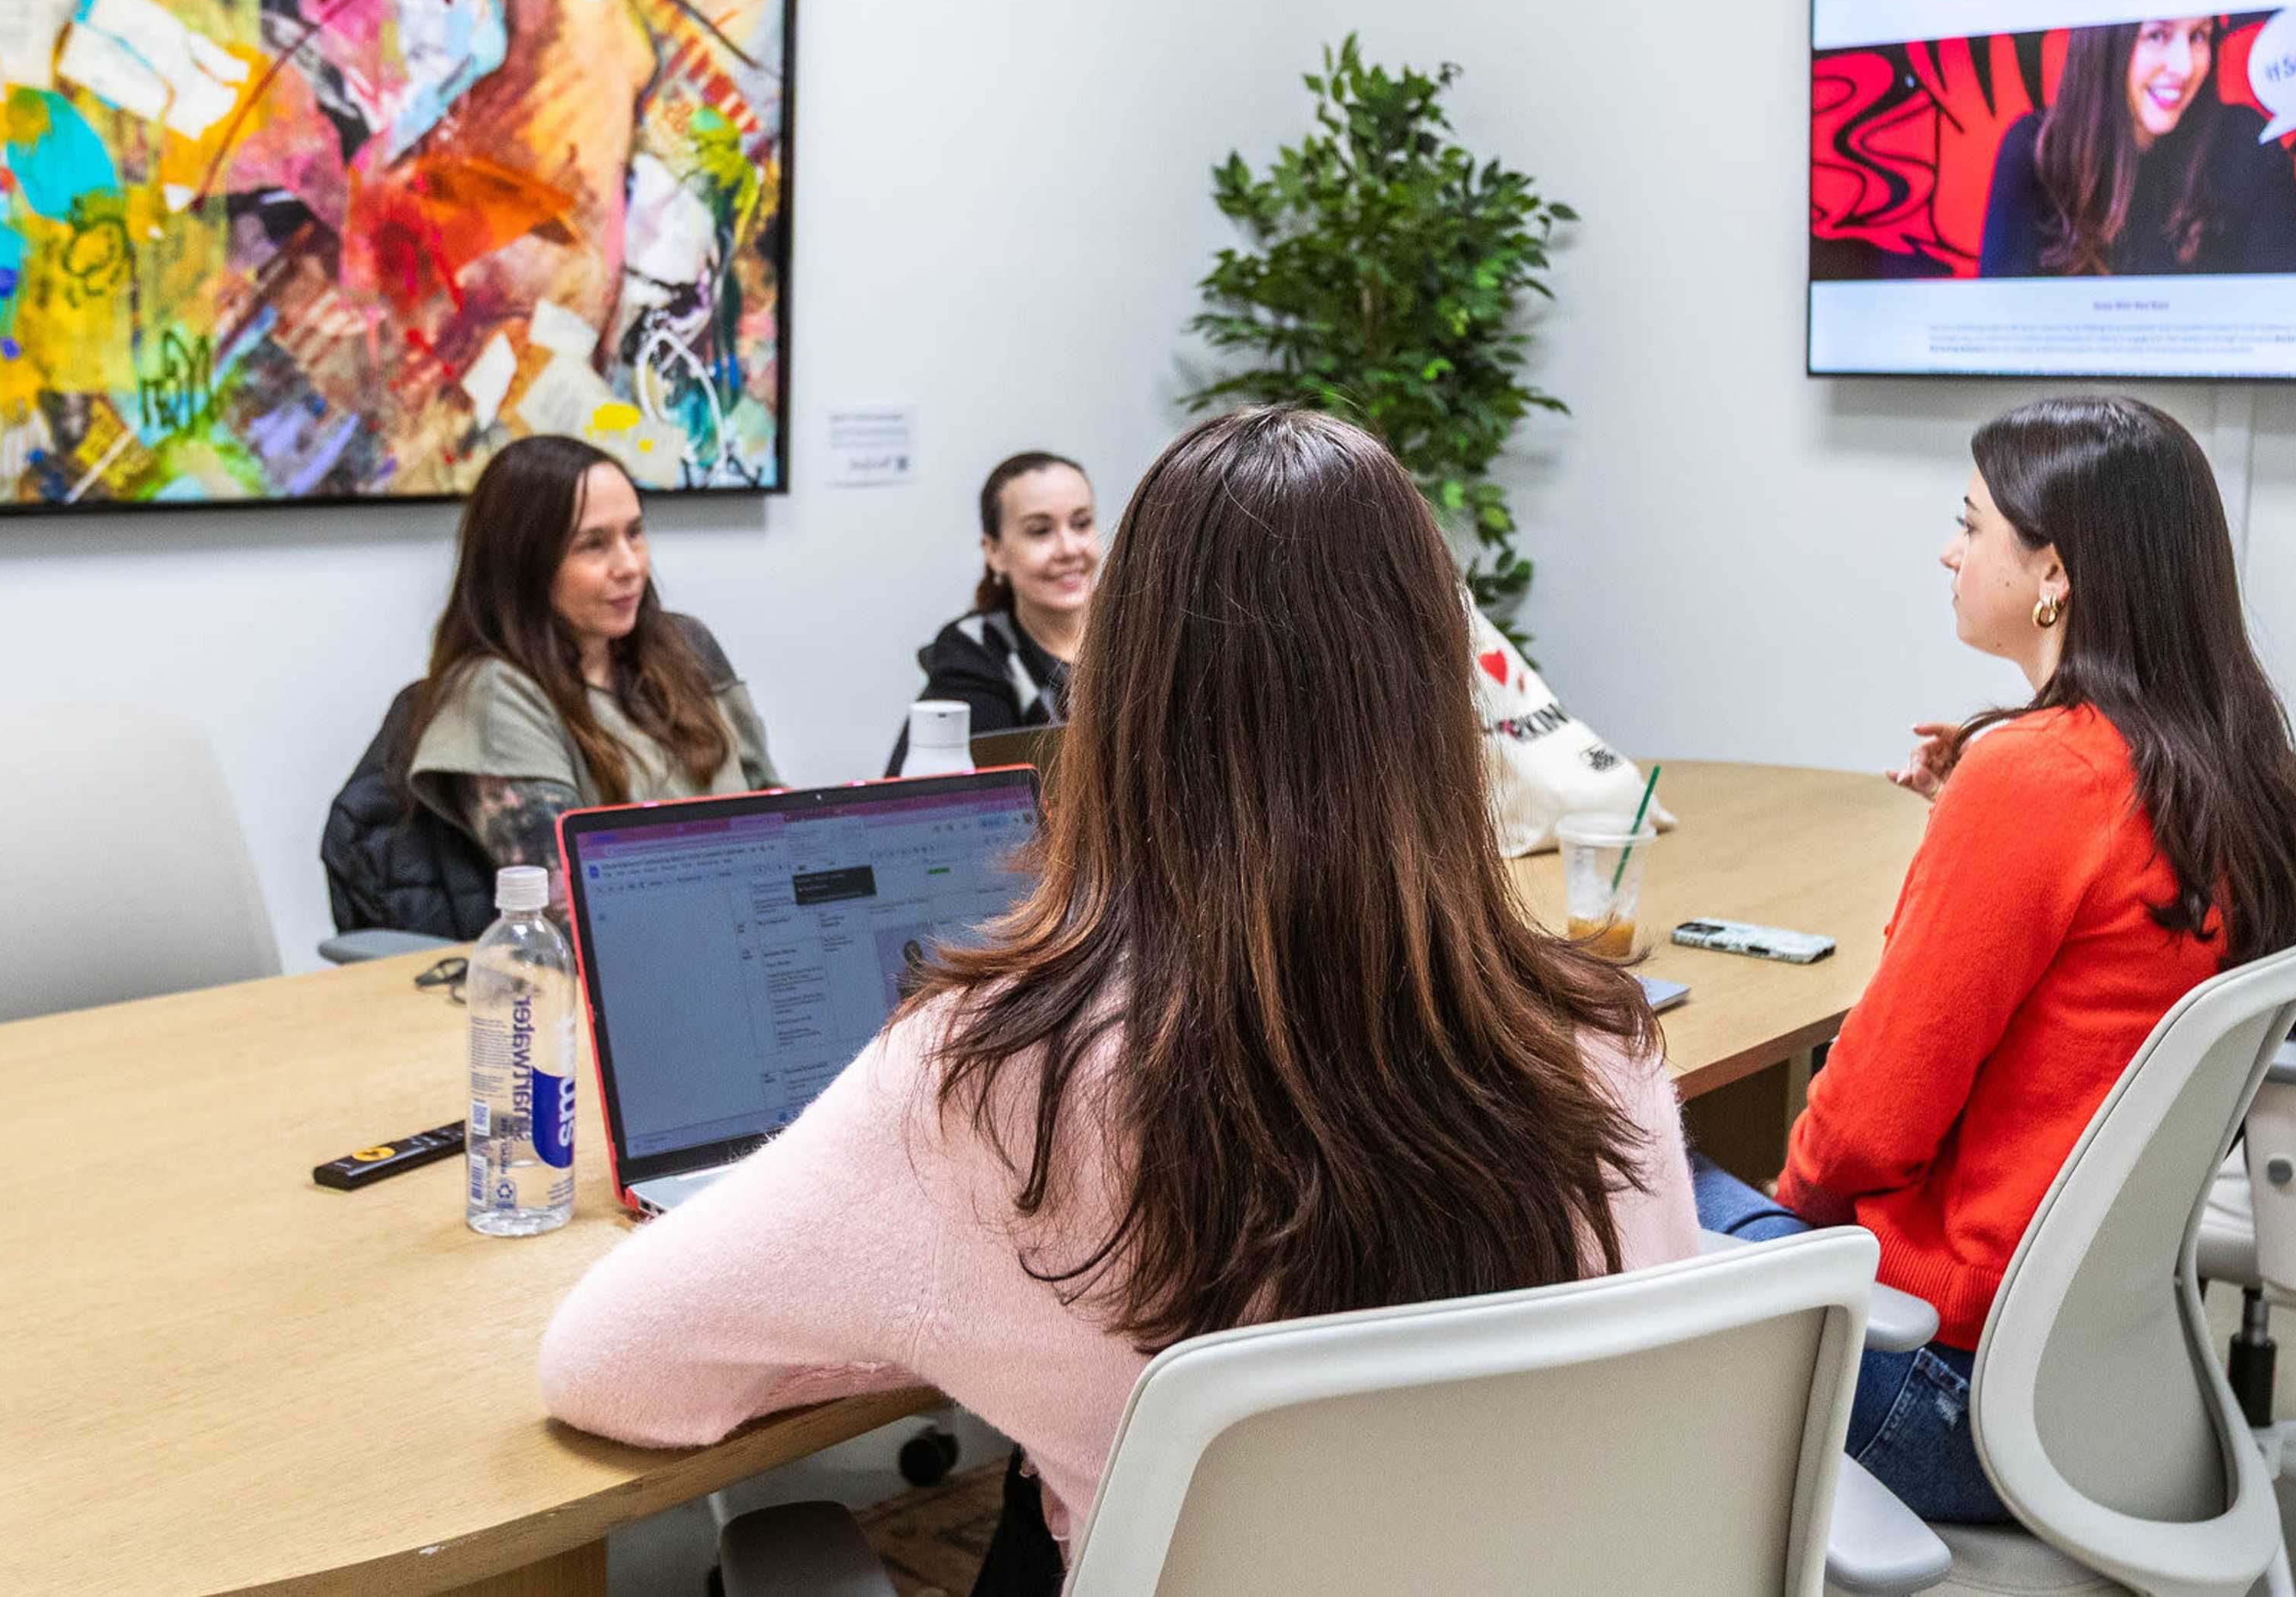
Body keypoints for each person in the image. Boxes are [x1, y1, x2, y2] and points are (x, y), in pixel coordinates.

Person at [540, 408, 1698, 1584]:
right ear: (1442, 692)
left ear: (1127, 686)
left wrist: (931, 1312)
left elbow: (606, 1362)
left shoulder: (996, 1073)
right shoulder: (1598, 1038)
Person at [1693, 393, 2296, 1526]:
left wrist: (1776, 1239)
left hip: (1941, 1390)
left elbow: (1861, 1131)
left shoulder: (2036, 783)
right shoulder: (2242, 769)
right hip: (2104, 1378)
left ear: (2055, 573)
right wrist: (1982, 815)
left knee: (1608, 1169)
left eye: (1972, 522)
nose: (1950, 547)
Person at [405, 435, 779, 916]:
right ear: (526, 563)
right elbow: (574, 906)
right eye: (593, 545)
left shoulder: (686, 646)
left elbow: (781, 819)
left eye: (635, 533)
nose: (630, 566)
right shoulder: (496, 692)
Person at [1979, 15, 2296, 277]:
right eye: (2157, 36)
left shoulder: (2246, 145)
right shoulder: (2037, 151)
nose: (2185, 66)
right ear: (2106, 45)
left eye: (2199, 36)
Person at [897, 451, 1097, 751]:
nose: (1069, 549)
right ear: (995, 552)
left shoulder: (1143, 632)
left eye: (1081, 524)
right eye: (1040, 531)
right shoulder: (974, 652)